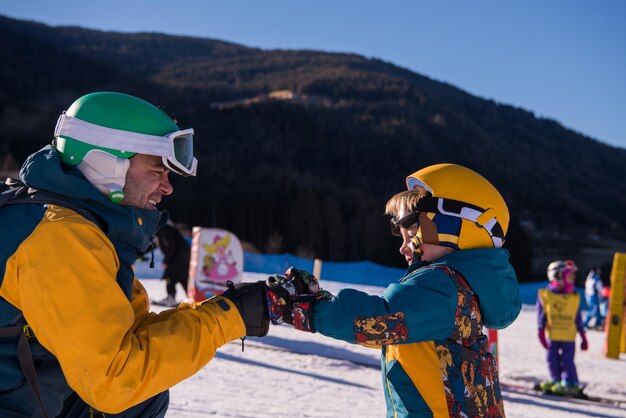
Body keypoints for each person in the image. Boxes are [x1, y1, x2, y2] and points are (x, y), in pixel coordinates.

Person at [0, 92, 269, 418]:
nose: (167, 188)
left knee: (145, 397)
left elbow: (132, 329)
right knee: (131, 395)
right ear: (105, 164)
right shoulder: (60, 238)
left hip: (31, 393)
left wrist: (229, 309)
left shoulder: (80, 224)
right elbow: (115, 380)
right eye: (158, 171)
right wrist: (231, 317)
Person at [266, 163, 521, 418]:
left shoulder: (441, 285)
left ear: (459, 225)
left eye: (412, 233)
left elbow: (379, 319)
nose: (404, 247)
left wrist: (300, 306)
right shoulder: (462, 287)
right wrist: (316, 299)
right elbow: (391, 328)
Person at [536, 260, 588, 396]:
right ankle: (556, 380)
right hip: (552, 335)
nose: (573, 279)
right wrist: (541, 332)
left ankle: (571, 382)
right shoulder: (546, 295)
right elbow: (541, 316)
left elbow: (578, 318)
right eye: (569, 276)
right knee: (551, 359)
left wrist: (583, 336)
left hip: (568, 336)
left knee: (567, 361)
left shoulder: (573, 297)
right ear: (557, 276)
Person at [152, 220, 191, 307]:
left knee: (169, 276)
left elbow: (170, 245)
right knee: (183, 277)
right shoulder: (163, 228)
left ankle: (171, 298)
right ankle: (191, 297)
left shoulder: (165, 228)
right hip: (183, 255)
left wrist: (166, 261)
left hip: (179, 256)